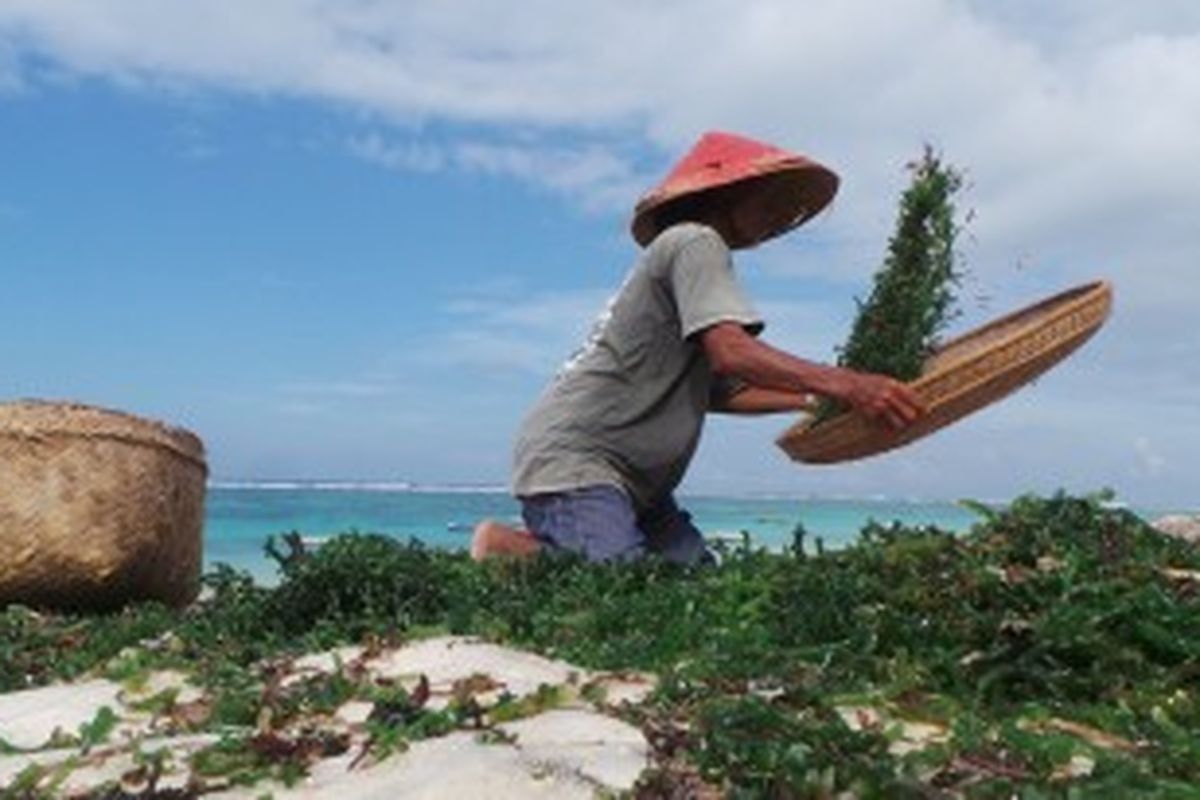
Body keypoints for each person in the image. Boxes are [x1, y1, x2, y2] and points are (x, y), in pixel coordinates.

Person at [472, 131, 924, 564]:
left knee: (690, 582)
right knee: (623, 584)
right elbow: (734, 352)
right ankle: (506, 548)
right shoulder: (695, 241)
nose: (778, 219)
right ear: (726, 194)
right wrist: (847, 383)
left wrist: (819, 399)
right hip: (579, 461)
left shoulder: (687, 254)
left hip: (638, 480)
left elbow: (724, 390)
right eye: (770, 203)